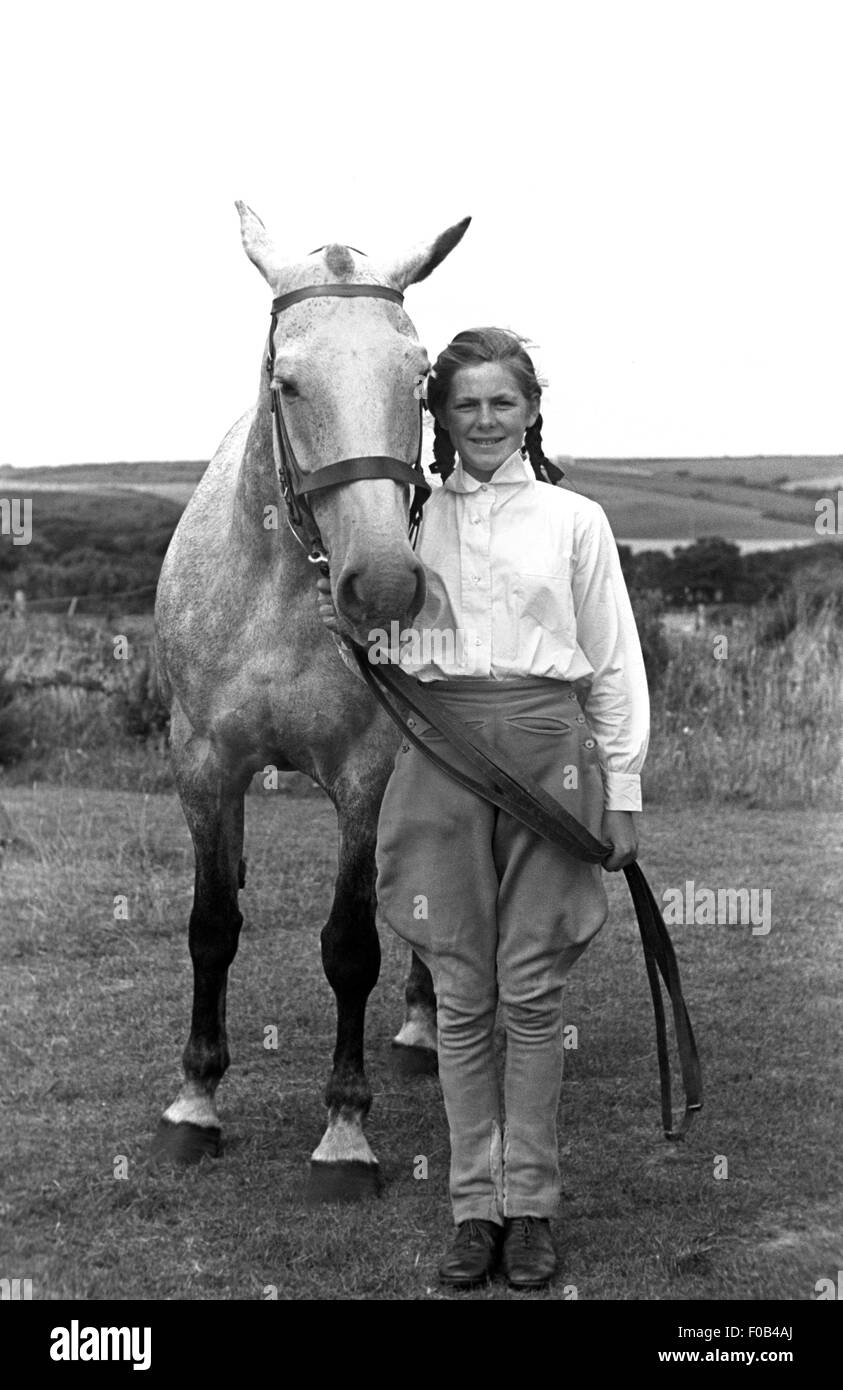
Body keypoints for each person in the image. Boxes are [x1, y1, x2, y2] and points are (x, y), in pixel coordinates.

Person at [318, 327, 649, 1290]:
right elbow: (365, 629)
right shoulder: (405, 525)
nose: (484, 419)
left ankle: (532, 1207)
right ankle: (474, 1210)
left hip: (552, 758)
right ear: (438, 418)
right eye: (464, 404)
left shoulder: (575, 521)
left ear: (532, 410)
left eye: (502, 402)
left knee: (534, 994)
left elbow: (614, 663)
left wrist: (620, 788)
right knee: (461, 996)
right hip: (441, 760)